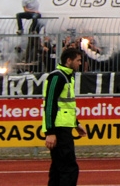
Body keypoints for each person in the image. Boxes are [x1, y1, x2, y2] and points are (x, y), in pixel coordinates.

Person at [42, 47, 88, 186]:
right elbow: (50, 104)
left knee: (58, 168)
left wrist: (76, 123)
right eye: (78, 60)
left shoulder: (67, 77)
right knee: (69, 168)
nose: (80, 63)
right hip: (59, 129)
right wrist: (50, 132)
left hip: (64, 127)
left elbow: (66, 106)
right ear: (69, 60)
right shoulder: (57, 77)